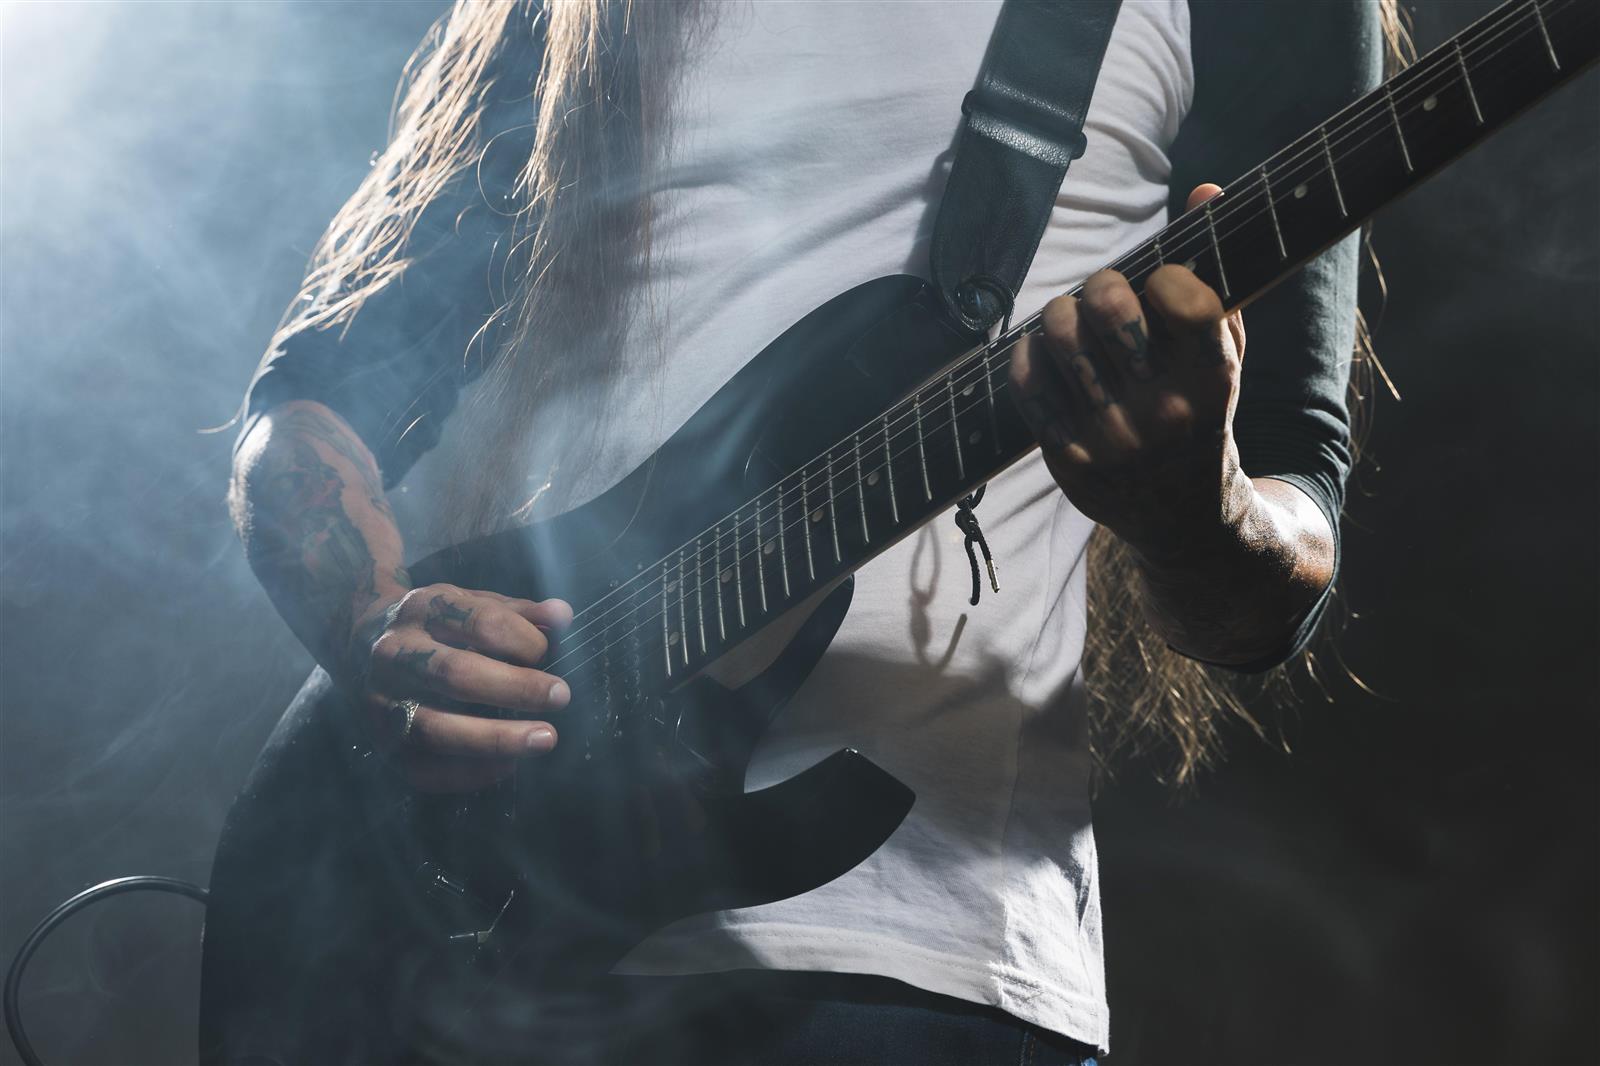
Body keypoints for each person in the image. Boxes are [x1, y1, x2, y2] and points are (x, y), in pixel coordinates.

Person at [204, 1, 1386, 1062]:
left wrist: (1202, 510)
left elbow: (1291, 520)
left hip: (910, 955)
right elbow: (312, 400)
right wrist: (372, 631)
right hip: (455, 914)